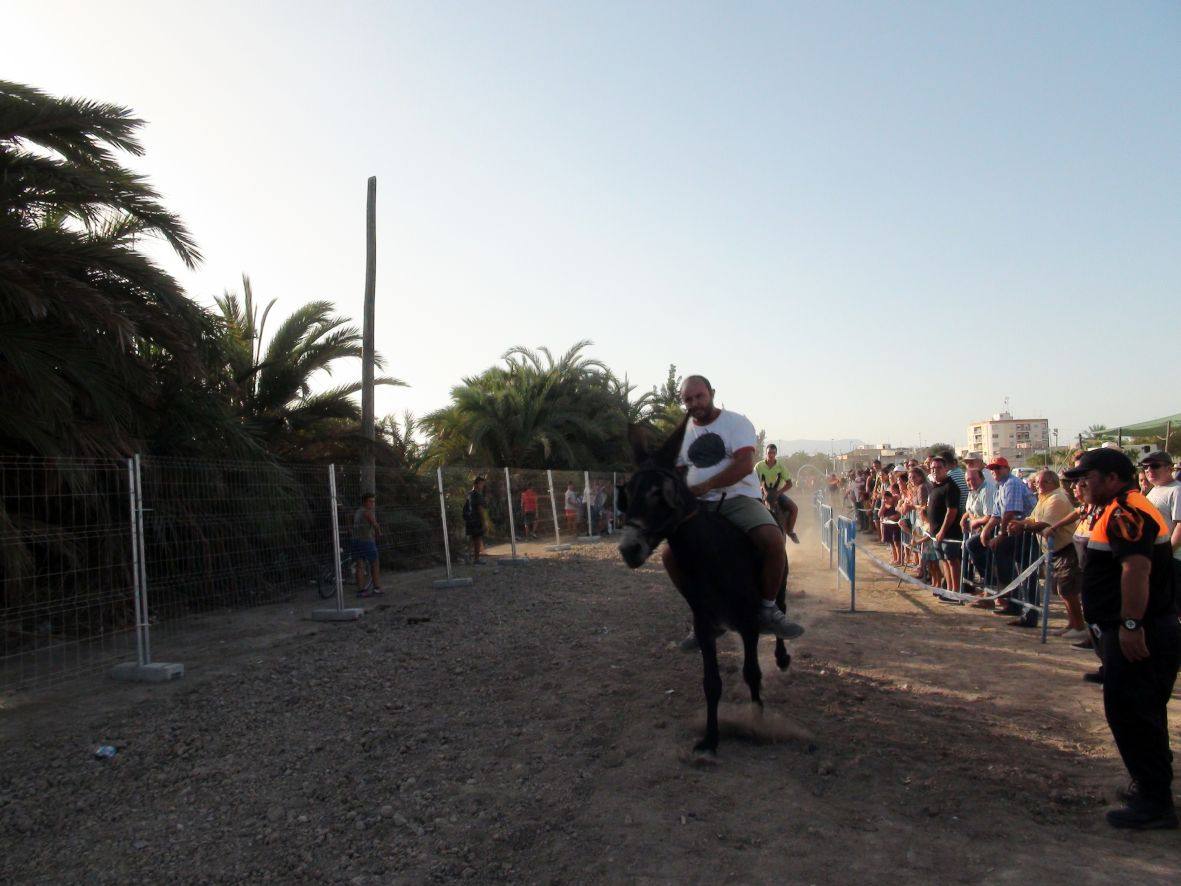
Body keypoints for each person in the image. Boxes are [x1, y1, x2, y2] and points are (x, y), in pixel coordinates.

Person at [1064, 448, 1179, 830]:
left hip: (1140, 632)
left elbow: (1135, 570)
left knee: (1135, 715)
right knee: (1138, 713)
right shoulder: (1120, 507)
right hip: (1134, 629)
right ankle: (1150, 786)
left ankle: (1155, 801)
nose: (1081, 484)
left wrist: (1130, 625)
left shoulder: (1127, 512)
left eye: (1087, 477)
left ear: (1113, 477)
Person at [667, 375, 803, 647]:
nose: (694, 403)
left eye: (699, 396)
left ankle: (767, 609)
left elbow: (743, 465)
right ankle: (704, 617)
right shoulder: (682, 436)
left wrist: (707, 485)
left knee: (773, 539)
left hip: (738, 497)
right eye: (688, 399)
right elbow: (678, 471)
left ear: (712, 393)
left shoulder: (736, 423)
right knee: (671, 556)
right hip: (699, 505)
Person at [1011, 470, 1085, 640]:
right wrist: (1021, 523)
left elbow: (1045, 524)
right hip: (1055, 551)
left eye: (1043, 482)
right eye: (1037, 482)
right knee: (1062, 590)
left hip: (1067, 548)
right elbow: (1033, 519)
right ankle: (1072, 623)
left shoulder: (1057, 498)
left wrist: (1023, 527)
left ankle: (1080, 625)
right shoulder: (1043, 499)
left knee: (1068, 589)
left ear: (1053, 483)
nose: (1038, 486)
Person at [979, 456, 1039, 626]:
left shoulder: (1012, 483)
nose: (995, 471)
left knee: (1026, 573)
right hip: (1015, 530)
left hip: (1024, 532)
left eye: (999, 468)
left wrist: (1002, 535)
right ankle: (1008, 597)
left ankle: (1024, 608)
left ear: (1007, 468)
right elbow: (997, 514)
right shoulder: (1001, 486)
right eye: (993, 468)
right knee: (981, 547)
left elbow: (1010, 513)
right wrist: (986, 530)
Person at [1141, 451, 1181, 615]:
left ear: (1169, 468)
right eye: (1146, 467)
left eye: (1155, 466)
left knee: (1175, 608)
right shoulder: (1155, 490)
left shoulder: (1177, 490)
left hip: (1173, 559)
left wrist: (1165, 554)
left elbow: (1180, 526)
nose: (1149, 470)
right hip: (1158, 557)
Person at [927, 455, 962, 592]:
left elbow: (951, 511)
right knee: (943, 561)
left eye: (938, 467)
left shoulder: (950, 487)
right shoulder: (935, 486)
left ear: (946, 468)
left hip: (949, 532)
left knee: (952, 561)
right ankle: (948, 589)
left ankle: (955, 591)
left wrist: (942, 531)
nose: (935, 470)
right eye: (932, 468)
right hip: (936, 533)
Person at [755, 443, 800, 543]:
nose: (771, 455)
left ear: (776, 454)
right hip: (763, 494)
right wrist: (760, 490)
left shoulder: (780, 466)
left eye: (773, 453)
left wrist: (779, 493)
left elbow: (789, 483)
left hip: (777, 494)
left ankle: (790, 530)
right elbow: (753, 481)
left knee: (794, 508)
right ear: (765, 453)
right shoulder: (759, 466)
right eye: (769, 452)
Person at [351, 492, 382, 596]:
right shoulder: (367, 512)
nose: (372, 504)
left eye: (373, 501)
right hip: (366, 541)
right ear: (365, 502)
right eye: (370, 501)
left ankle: (361, 590)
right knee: (375, 562)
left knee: (359, 565)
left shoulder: (358, 511)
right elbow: (375, 525)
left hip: (356, 540)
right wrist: (379, 534)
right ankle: (377, 588)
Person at [464, 476, 489, 565]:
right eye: (481, 484)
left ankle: (468, 557)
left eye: (483, 484)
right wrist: (484, 521)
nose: (482, 486)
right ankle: (476, 559)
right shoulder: (477, 494)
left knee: (472, 538)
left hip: (470, 519)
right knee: (477, 539)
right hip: (476, 519)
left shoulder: (469, 494)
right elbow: (480, 508)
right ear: (475, 484)